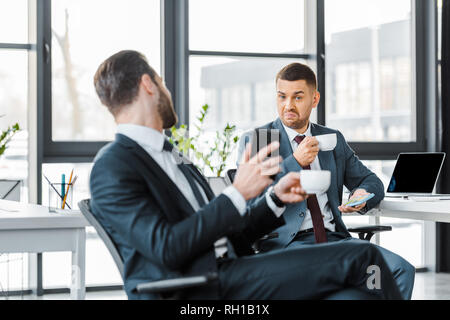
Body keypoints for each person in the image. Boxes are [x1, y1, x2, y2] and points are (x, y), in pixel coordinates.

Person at [89, 50, 403, 300]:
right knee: (366, 258)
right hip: (202, 285)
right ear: (148, 85)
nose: (166, 90)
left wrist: (276, 200)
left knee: (358, 288)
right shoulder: (114, 165)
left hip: (233, 265)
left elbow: (231, 235)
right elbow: (167, 248)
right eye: (162, 82)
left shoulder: (170, 155)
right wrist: (237, 193)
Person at [237, 62, 415, 300]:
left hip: (336, 241)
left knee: (399, 270)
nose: (288, 105)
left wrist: (362, 195)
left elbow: (370, 180)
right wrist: (294, 162)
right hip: (289, 246)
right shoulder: (261, 139)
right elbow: (253, 200)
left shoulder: (330, 139)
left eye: (297, 97)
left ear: (315, 98)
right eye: (282, 97)